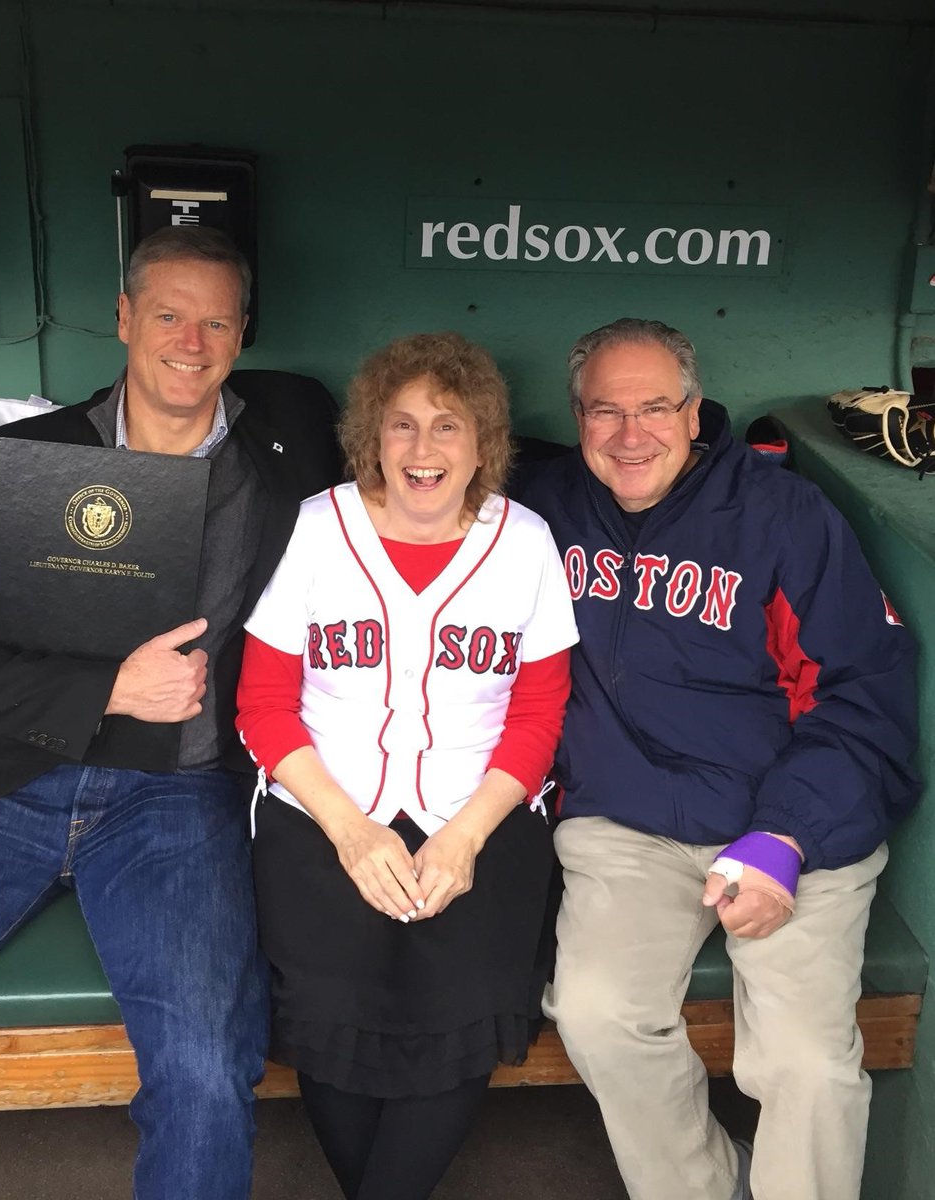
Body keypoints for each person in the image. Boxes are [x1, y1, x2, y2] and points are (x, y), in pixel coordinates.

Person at [0, 226, 341, 1200]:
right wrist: (105, 692)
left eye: (217, 322)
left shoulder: (291, 451)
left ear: (243, 333)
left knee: (207, 1069)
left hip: (175, 801)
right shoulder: (20, 461)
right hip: (0, 787)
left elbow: (432, 461)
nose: (191, 341)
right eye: (168, 314)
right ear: (124, 318)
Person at [519, 317, 921, 1200]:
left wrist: (787, 836)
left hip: (791, 825)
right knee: (596, 1012)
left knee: (806, 1063)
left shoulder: (783, 517)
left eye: (656, 408)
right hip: (628, 826)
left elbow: (862, 690)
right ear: (577, 419)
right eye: (605, 411)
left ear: (695, 413)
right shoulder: (540, 510)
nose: (631, 435)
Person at [235, 331, 579, 1200]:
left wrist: (463, 840)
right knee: (334, 1002)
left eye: (448, 425)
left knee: (462, 993)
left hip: (483, 812)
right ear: (372, 438)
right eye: (402, 424)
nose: (423, 448)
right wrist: (349, 833)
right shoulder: (317, 527)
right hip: (322, 808)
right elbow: (263, 705)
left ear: (483, 443)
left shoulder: (525, 541)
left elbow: (538, 716)